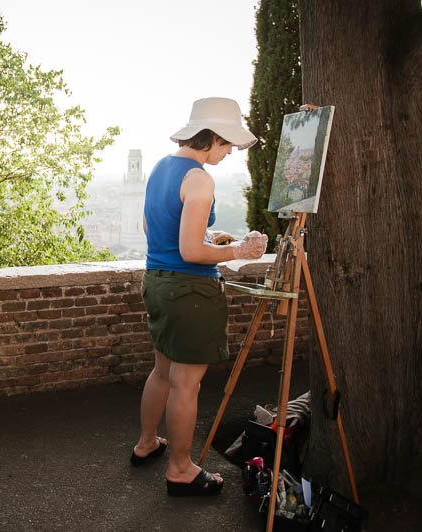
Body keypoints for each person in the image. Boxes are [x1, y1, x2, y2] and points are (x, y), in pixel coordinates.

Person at [131, 97, 268, 496]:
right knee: (185, 384)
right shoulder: (200, 178)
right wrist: (239, 251)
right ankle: (180, 469)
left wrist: (209, 236)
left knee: (162, 372)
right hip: (189, 291)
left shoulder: (161, 167)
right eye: (227, 146)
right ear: (213, 137)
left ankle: (145, 445)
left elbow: (151, 225)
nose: (229, 154)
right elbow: (191, 253)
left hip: (156, 281)